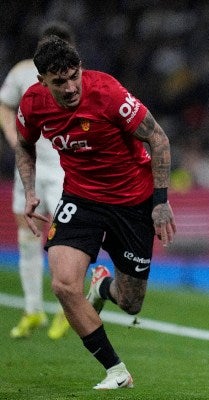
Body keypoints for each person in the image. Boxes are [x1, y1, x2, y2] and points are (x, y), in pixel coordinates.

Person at [15, 35, 176, 389]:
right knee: (63, 284)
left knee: (131, 304)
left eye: (74, 76)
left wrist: (160, 201)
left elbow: (158, 137)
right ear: (42, 81)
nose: (71, 87)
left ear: (81, 70)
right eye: (60, 82)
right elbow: (24, 147)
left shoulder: (108, 93)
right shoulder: (32, 105)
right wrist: (29, 191)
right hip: (81, 199)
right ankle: (116, 371)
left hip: (133, 200)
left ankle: (103, 286)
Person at [0, 21, 74, 340]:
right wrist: (15, 142)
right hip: (28, 165)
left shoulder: (74, 80)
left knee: (65, 238)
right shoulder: (21, 74)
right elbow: (4, 105)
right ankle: (33, 309)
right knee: (27, 234)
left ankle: (66, 308)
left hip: (62, 167)